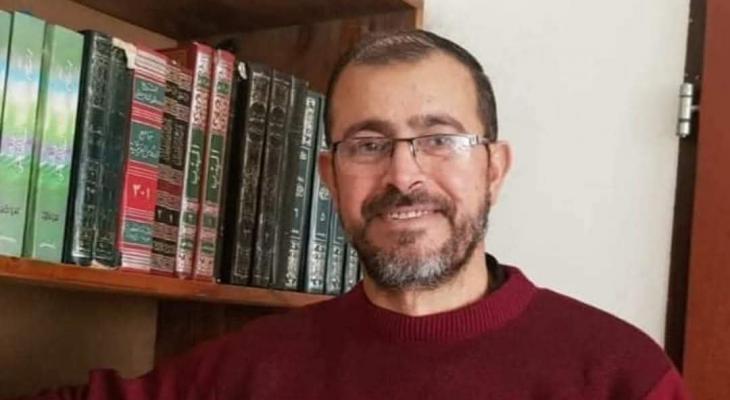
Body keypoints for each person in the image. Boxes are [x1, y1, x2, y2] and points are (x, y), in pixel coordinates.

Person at [19, 30, 688, 400]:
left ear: (494, 167)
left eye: (439, 139)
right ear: (330, 177)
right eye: (368, 145)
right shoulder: (251, 371)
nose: (403, 174)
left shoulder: (620, 376)